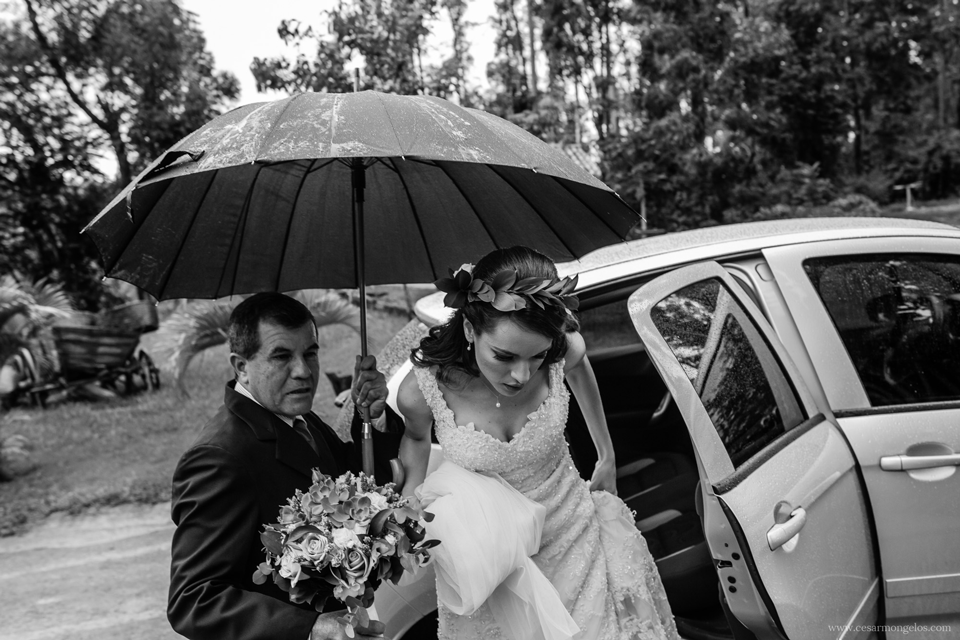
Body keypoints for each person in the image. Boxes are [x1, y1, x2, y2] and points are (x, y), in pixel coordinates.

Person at [397, 247, 679, 640]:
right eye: (504, 356)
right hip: (494, 568)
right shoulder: (422, 390)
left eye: (537, 357)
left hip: (576, 537)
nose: (522, 375)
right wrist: (407, 507)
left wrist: (607, 454)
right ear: (470, 330)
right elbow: (415, 438)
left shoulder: (563, 351)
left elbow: (580, 367)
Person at [167, 292, 403, 640]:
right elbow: (194, 599)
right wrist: (310, 628)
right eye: (281, 356)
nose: (303, 371)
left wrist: (372, 418)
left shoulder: (300, 419)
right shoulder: (219, 458)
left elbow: (359, 491)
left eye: (310, 353)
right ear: (241, 367)